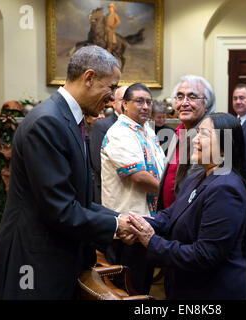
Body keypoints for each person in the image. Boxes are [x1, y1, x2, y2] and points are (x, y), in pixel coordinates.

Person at [0, 46, 133, 300]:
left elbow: (79, 199)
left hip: (56, 255)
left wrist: (119, 218)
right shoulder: (47, 122)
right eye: (111, 87)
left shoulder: (68, 118)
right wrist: (116, 225)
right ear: (89, 77)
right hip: (33, 261)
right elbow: (60, 209)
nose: (112, 98)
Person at [127, 112, 246, 300]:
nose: (195, 139)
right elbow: (170, 215)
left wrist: (152, 241)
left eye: (204, 134)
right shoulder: (196, 177)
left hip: (211, 292)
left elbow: (205, 255)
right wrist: (134, 224)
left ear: (225, 149)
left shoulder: (226, 188)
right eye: (197, 133)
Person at [100, 83, 165, 294]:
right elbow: (138, 176)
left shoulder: (146, 130)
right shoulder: (119, 133)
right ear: (124, 105)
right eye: (139, 101)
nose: (145, 106)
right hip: (128, 227)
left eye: (148, 101)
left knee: (143, 287)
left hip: (147, 223)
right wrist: (172, 195)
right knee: (128, 289)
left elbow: (159, 170)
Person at [157, 75, 216, 211]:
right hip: (169, 218)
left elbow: (202, 188)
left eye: (192, 97)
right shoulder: (179, 131)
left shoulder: (211, 136)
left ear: (207, 104)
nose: (184, 103)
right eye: (179, 97)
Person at [89, 85, 128, 204]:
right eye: (122, 99)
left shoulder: (143, 126)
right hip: (109, 189)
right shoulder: (102, 125)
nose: (126, 103)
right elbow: (97, 162)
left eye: (129, 99)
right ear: (113, 103)